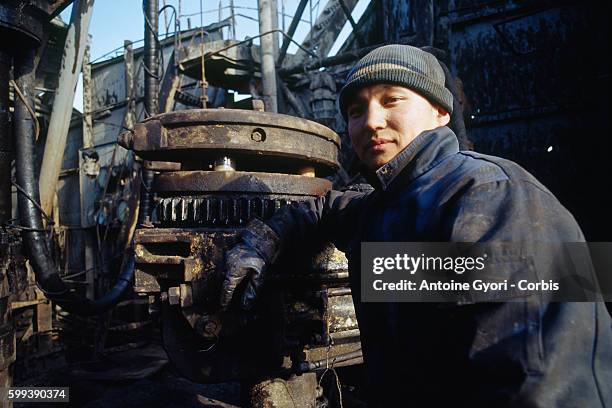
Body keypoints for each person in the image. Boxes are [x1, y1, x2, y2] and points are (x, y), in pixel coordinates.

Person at [220, 44, 612, 406]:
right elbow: (322, 209)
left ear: (441, 112)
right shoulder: (383, 206)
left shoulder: (493, 195)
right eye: (356, 110)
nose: (372, 122)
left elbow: (541, 381)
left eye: (392, 100)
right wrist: (262, 241)